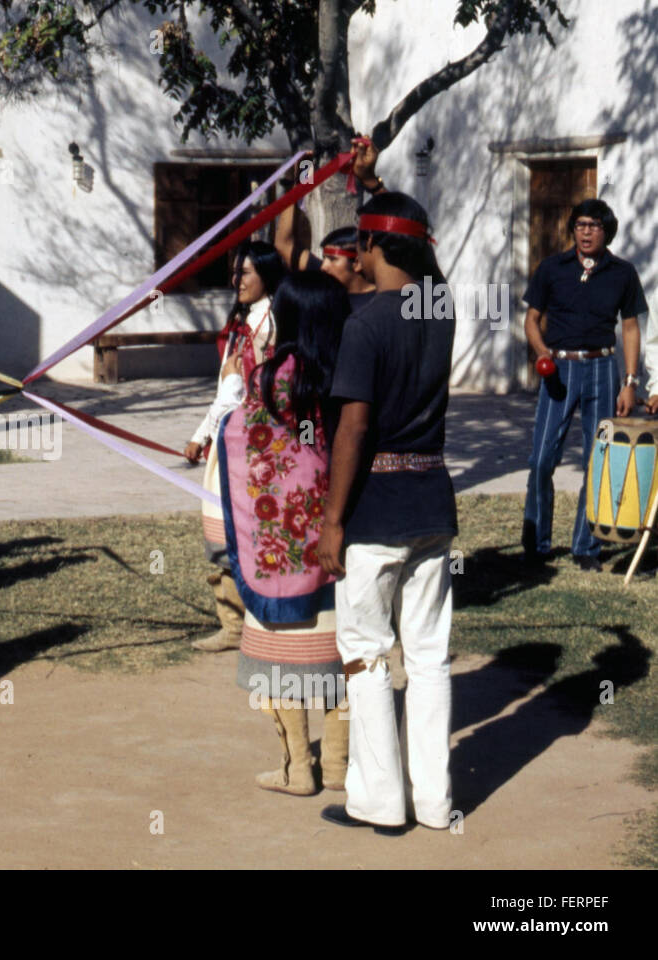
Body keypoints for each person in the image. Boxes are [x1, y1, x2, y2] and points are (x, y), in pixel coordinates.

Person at [315, 191, 456, 835]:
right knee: (429, 658)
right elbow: (427, 264)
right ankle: (432, 802)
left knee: (367, 657)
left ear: (372, 247)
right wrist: (377, 187)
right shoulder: (441, 308)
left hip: (373, 509)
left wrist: (332, 519)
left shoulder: (365, 325)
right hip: (432, 500)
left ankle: (378, 801)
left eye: (360, 243)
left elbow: (352, 430)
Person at [221, 272, 350, 795]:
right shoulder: (346, 372)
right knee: (346, 652)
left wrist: (232, 400)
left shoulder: (272, 377)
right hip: (339, 538)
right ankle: (341, 765)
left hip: (278, 545)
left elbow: (248, 436)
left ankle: (299, 768)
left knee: (281, 659)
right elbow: (316, 444)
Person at [522, 198, 648, 571]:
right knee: (541, 458)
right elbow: (531, 319)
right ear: (572, 230)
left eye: (594, 225)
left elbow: (629, 328)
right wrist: (542, 352)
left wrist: (629, 382)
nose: (586, 231)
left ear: (606, 230)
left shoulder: (622, 273)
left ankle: (586, 547)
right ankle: (538, 544)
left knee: (600, 459)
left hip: (602, 368)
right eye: (580, 225)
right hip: (559, 369)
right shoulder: (551, 268)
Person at [184, 240, 286, 652]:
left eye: (245, 273)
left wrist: (199, 434)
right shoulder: (242, 325)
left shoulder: (274, 323)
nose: (236, 280)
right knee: (220, 532)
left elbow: (235, 390)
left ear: (266, 275)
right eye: (234, 273)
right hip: (229, 443)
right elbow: (226, 392)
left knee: (258, 532)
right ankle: (231, 621)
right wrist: (203, 435)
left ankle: (266, 618)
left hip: (260, 448)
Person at [274, 136, 385, 312]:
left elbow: (399, 232)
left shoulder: (383, 296)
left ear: (357, 262)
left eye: (332, 259)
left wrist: (370, 180)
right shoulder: (326, 280)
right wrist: (300, 183)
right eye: (324, 258)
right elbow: (284, 244)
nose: (324, 266)